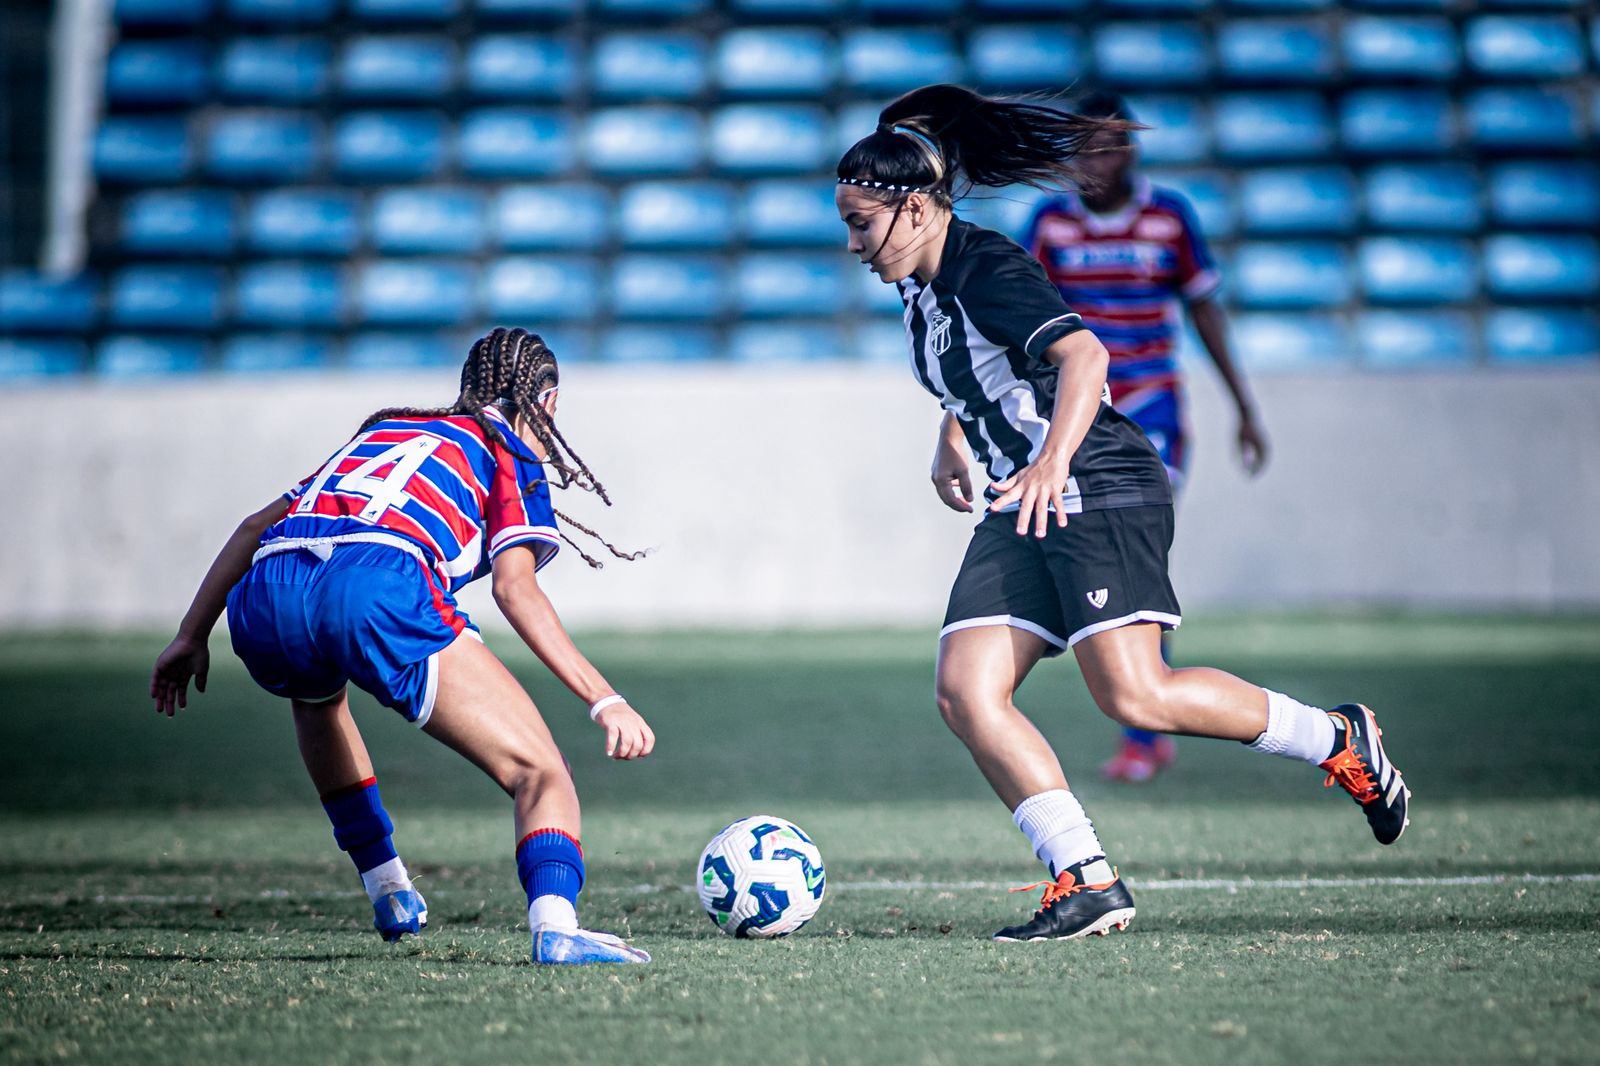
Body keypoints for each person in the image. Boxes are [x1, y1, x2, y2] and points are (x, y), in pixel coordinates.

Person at [835, 85, 1409, 942]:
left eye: (859, 222)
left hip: (1095, 481)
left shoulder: (985, 265)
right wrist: (953, 438)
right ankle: (1087, 879)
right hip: (1026, 497)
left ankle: (1336, 736)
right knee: (965, 690)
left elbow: (1084, 356)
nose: (851, 244)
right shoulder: (919, 282)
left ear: (914, 207)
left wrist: (1053, 460)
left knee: (1137, 695)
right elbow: (982, 367)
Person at [149, 326, 655, 965]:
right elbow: (515, 590)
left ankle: (386, 885)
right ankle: (555, 926)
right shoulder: (509, 453)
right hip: (374, 585)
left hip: (267, 592)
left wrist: (190, 635)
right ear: (546, 402)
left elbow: (255, 525)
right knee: (539, 771)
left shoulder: (383, 432)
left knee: (317, 698)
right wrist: (603, 698)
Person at [1019, 90, 1270, 784]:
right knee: (1099, 558)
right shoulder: (1049, 224)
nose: (1099, 157)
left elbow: (1205, 310)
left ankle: (1145, 723)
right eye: (1086, 146)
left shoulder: (1170, 217)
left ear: (1132, 147)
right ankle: (1145, 710)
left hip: (1153, 413)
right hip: (1078, 418)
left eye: (1111, 142)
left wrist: (1244, 408)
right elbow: (1018, 319)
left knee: (1126, 551)